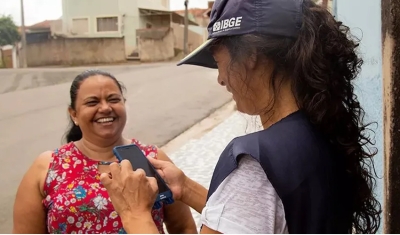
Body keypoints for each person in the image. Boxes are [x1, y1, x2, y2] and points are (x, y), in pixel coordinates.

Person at [100, 0, 382, 233]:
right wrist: (184, 187)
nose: (221, 80)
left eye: (220, 64)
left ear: (252, 57)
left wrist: (134, 213)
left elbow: (254, 200)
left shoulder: (255, 161)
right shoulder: (323, 131)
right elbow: (256, 218)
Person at [12, 70, 197, 234]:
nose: (105, 108)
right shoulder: (47, 167)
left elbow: (183, 228)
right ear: (74, 114)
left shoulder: (153, 159)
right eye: (92, 102)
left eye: (113, 99)